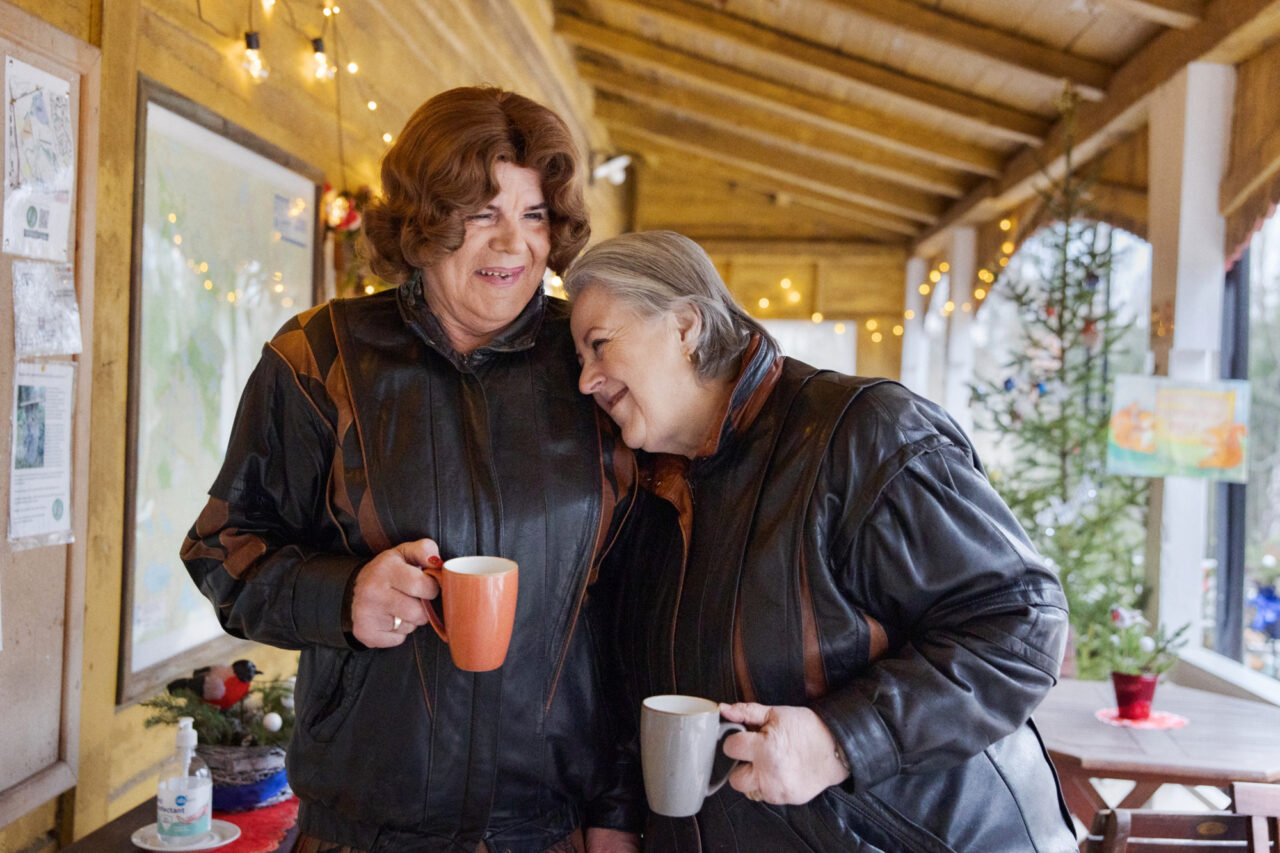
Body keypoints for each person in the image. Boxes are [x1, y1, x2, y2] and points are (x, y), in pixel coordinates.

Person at [181, 87, 643, 853]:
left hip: (547, 832)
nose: (513, 244)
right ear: (424, 221)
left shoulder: (593, 366)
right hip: (361, 830)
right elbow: (221, 548)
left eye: (533, 216)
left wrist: (618, 811)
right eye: (481, 213)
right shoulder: (320, 355)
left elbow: (639, 606)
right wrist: (344, 595)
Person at [562, 230, 1079, 853]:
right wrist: (616, 819)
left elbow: (1019, 625)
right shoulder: (651, 493)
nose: (587, 380)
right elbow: (636, 694)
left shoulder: (865, 434)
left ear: (685, 326)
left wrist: (840, 741)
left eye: (599, 346)